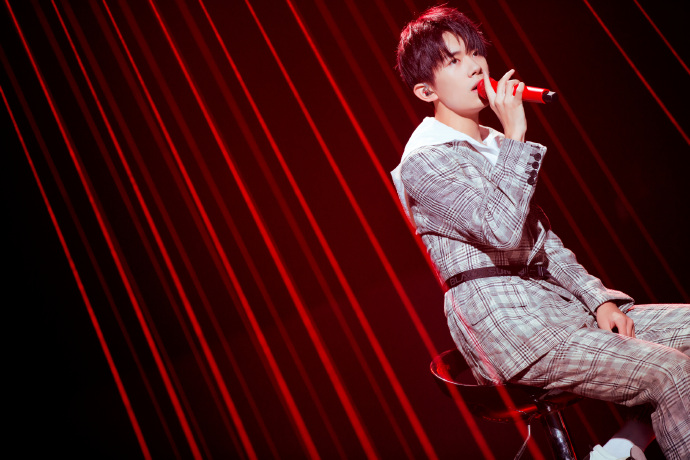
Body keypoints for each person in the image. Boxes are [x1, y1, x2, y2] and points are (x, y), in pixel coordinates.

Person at [391, 6, 689, 460]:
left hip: (560, 308)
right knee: (669, 372)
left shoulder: (495, 145)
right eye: (453, 60)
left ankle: (618, 450)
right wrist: (515, 135)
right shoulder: (424, 160)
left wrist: (600, 300)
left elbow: (544, 243)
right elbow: (501, 231)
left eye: (475, 53)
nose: (475, 67)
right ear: (425, 90)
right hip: (507, 325)